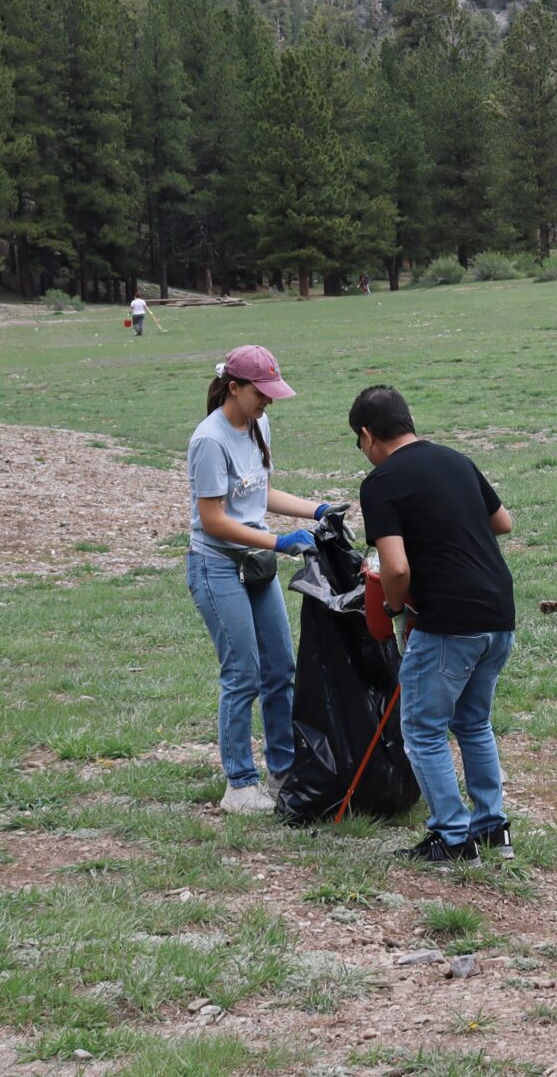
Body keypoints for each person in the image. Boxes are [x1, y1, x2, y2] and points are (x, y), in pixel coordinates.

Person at [353, 384, 520, 862]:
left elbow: (396, 569)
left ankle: (452, 837)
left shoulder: (381, 483)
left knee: (424, 731)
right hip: (498, 613)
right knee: (473, 723)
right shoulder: (455, 460)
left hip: (447, 622)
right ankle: (492, 829)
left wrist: (391, 607)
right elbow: (502, 521)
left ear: (367, 435)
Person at [187, 344, 337, 814]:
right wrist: (277, 542)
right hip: (218, 567)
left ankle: (283, 768)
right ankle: (240, 783)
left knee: (280, 669)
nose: (268, 402)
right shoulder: (208, 441)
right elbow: (212, 520)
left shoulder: (258, 424)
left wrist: (317, 510)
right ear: (234, 387)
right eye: (261, 393)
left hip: (257, 564)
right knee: (242, 673)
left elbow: (261, 492)